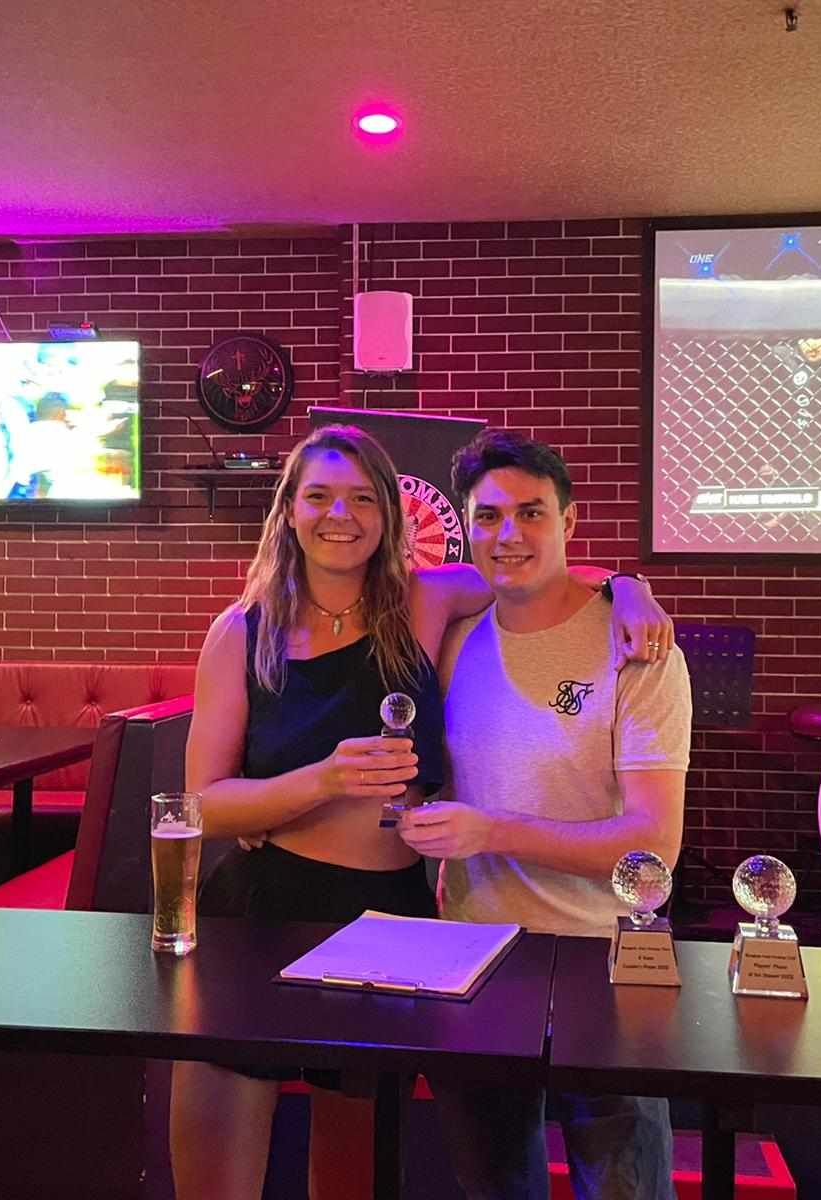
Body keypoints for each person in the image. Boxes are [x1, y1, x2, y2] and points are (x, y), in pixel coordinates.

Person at [169, 424, 672, 1200]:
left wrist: (631, 587)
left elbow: (541, 574)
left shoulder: (426, 599)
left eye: (363, 496)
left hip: (393, 919)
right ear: (289, 511)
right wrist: (322, 781)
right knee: (216, 1181)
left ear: (388, 513)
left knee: (353, 1177)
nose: (342, 514)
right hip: (261, 908)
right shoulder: (243, 631)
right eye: (320, 496)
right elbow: (199, 803)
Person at [398, 429, 692, 1200]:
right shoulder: (453, 637)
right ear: (465, 527)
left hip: (606, 963)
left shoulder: (637, 644)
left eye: (531, 513)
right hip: (474, 963)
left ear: (569, 519)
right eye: (488, 516)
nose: (509, 535)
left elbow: (652, 848)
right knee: (494, 1188)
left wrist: (489, 830)